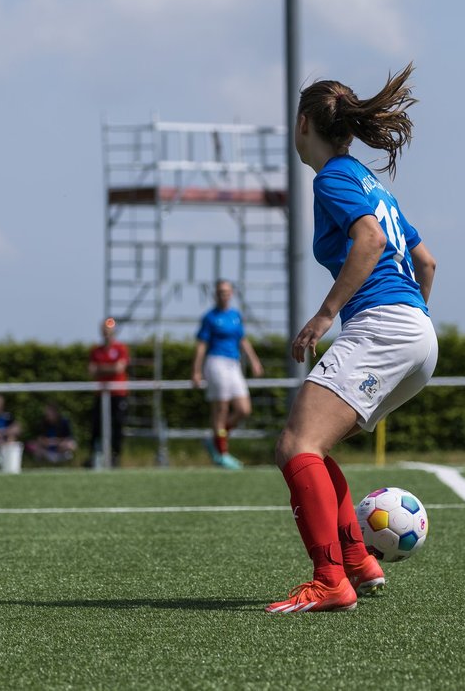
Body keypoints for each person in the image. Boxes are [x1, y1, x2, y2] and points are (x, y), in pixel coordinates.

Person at [267, 64, 438, 614]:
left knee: (296, 447)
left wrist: (325, 315)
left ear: (302, 126)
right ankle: (358, 562)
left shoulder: (334, 178)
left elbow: (366, 242)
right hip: (416, 334)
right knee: (312, 447)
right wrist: (411, 324)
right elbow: (425, 261)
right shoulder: (369, 180)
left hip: (385, 326)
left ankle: (330, 580)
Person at [191, 281, 264, 470]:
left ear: (231, 294)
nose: (224, 295)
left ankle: (214, 439)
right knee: (221, 408)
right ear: (216, 295)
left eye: (226, 292)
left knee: (243, 409)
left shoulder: (235, 315)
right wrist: (196, 370)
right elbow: (201, 345)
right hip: (216, 362)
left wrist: (254, 360)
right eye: (220, 292)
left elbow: (242, 339)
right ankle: (221, 453)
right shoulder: (210, 317)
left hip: (234, 364)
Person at [87, 317, 129, 467]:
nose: (107, 335)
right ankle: (93, 456)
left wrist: (101, 368)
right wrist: (109, 368)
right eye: (105, 332)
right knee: (96, 426)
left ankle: (115, 456)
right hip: (100, 394)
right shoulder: (95, 351)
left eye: (109, 332)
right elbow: (91, 370)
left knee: (117, 425)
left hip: (118, 394)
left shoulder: (120, 349)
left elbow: (119, 368)